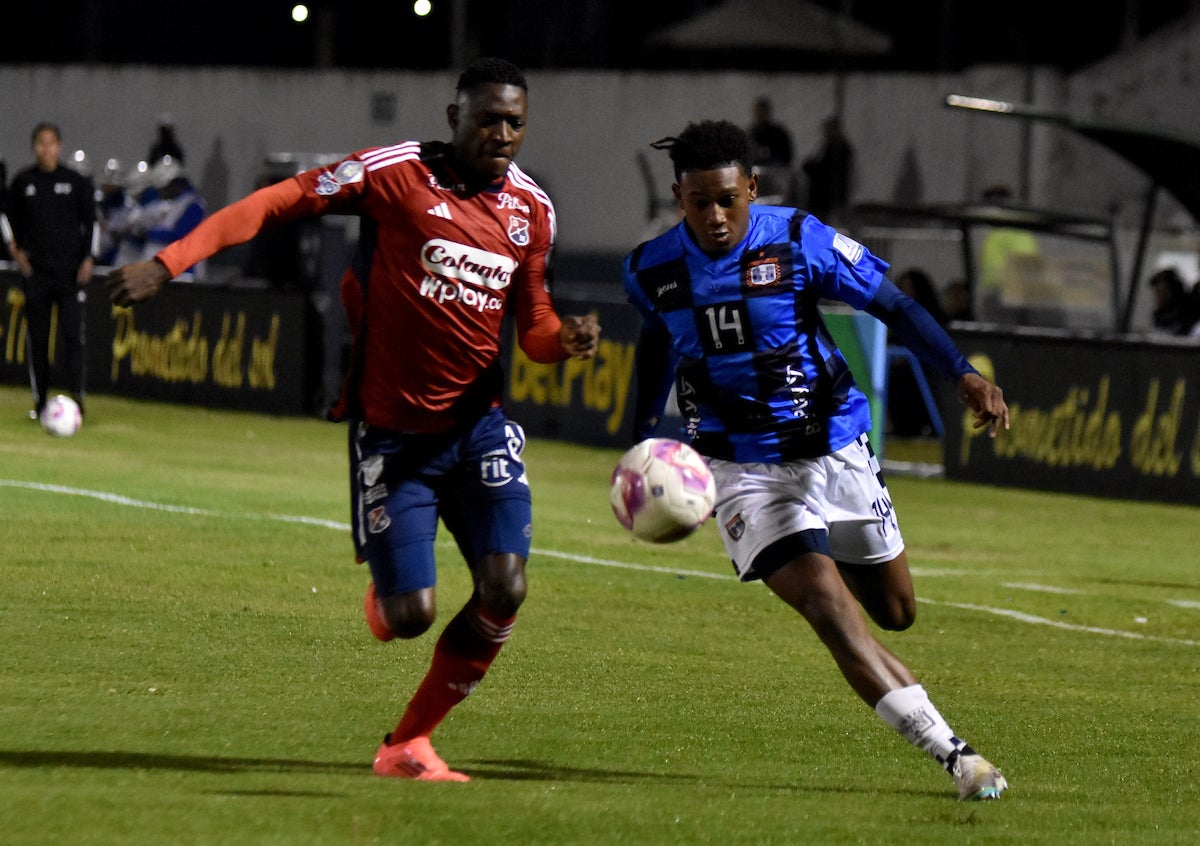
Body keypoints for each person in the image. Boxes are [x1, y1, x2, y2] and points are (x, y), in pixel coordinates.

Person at [108, 58, 601, 781]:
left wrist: (568, 342)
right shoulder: (394, 174)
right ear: (453, 117)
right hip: (393, 436)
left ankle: (408, 743)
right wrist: (169, 262)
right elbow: (277, 201)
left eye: (516, 122)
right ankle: (391, 586)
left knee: (506, 586)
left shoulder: (533, 211)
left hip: (479, 428)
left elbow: (533, 329)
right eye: (488, 118)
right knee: (410, 617)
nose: (503, 134)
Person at [624, 120, 1009, 801]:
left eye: (727, 200)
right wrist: (637, 438)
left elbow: (894, 304)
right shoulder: (651, 269)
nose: (714, 217)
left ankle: (889, 656)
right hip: (743, 473)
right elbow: (658, 345)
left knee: (894, 612)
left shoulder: (798, 239)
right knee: (831, 611)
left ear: (752, 187)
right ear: (677, 195)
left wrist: (962, 374)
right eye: (697, 203)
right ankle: (958, 757)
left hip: (835, 449)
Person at [1, 121, 97, 418]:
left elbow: (91, 222)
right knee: (39, 340)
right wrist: (14, 249)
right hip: (38, 274)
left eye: (51, 142)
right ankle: (40, 402)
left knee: (73, 338)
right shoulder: (24, 182)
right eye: (41, 142)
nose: (46, 148)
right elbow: (5, 216)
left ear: (59, 146)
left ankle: (77, 400)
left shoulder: (74, 181)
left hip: (68, 274)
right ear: (34, 146)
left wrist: (88, 258)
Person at [801, 115, 854, 224]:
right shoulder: (823, 147)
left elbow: (823, 169)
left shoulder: (839, 149)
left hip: (828, 196)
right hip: (820, 197)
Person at [746, 96, 794, 204]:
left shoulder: (778, 133)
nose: (759, 114)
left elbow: (786, 156)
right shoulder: (752, 132)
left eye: (761, 111)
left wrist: (767, 154)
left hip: (775, 172)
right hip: (757, 174)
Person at [1147, 267, 1198, 336]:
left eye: (1160, 292)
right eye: (1156, 292)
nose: (1157, 297)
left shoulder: (1187, 312)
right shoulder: (1160, 315)